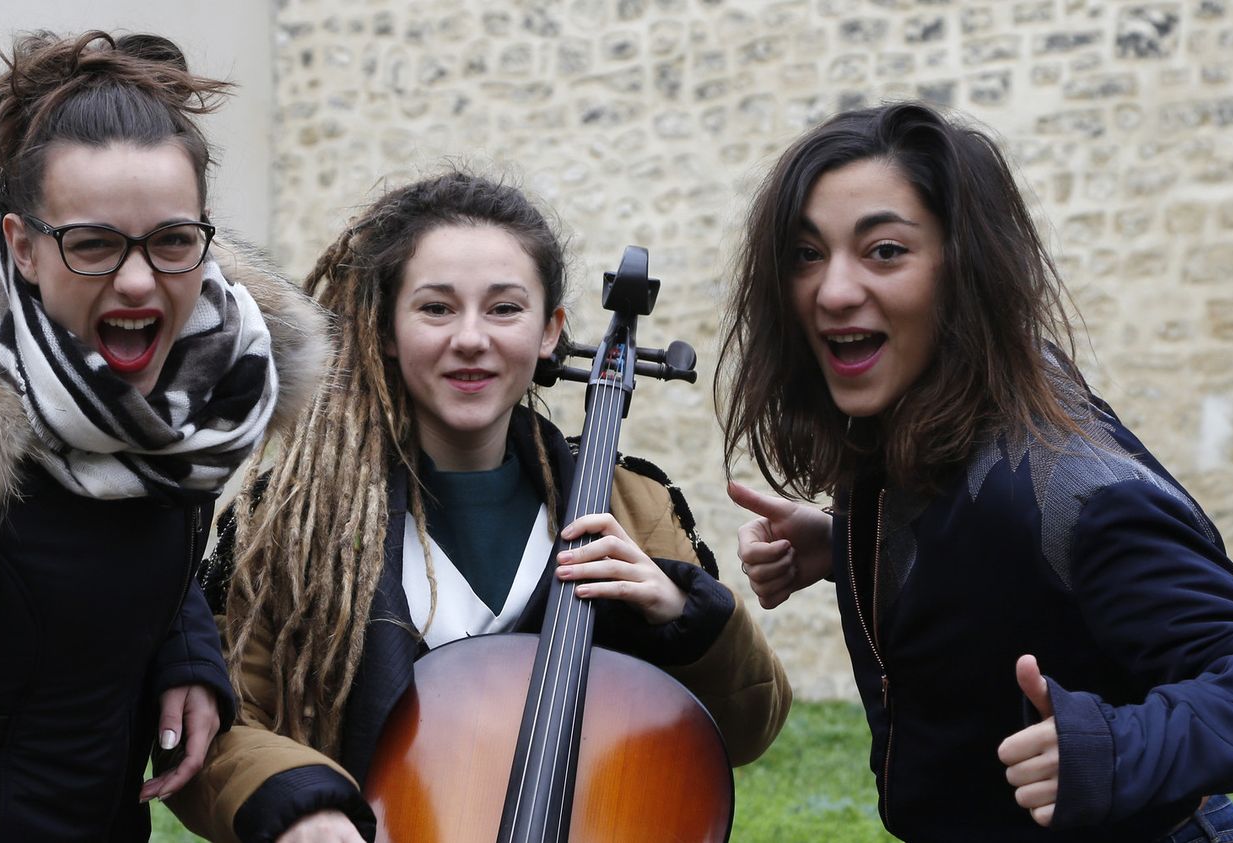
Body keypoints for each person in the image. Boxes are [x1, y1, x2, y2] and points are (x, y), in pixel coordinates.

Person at [0, 30, 328, 842]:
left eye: (173, 241)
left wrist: (185, 651)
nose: (139, 279)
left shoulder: (201, 394)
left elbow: (149, 540)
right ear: (23, 246)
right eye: (92, 244)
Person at [167, 170, 791, 843]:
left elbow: (748, 725)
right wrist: (302, 805)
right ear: (384, 329)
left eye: (504, 308)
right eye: (436, 308)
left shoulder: (633, 505)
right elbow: (219, 729)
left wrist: (683, 615)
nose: (471, 337)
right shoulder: (292, 519)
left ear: (550, 330)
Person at [718, 100, 1233, 842]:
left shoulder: (1065, 485)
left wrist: (1113, 748)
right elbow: (980, 548)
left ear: (966, 267)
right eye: (806, 254)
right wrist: (844, 542)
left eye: (884, 250)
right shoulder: (910, 409)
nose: (832, 290)